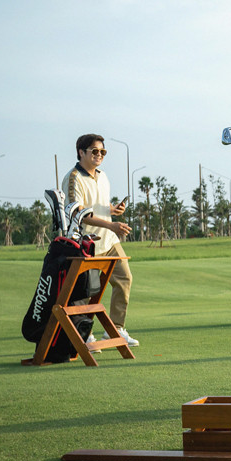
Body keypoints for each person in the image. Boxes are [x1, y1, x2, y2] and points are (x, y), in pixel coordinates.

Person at [61, 134, 138, 346]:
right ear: (81, 152)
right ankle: (84, 334)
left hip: (109, 241)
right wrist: (111, 225)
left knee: (124, 279)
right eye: (95, 151)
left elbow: (96, 205)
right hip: (87, 244)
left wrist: (112, 210)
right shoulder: (73, 178)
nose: (99, 155)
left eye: (103, 152)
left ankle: (116, 329)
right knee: (85, 291)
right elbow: (79, 214)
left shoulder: (103, 176)